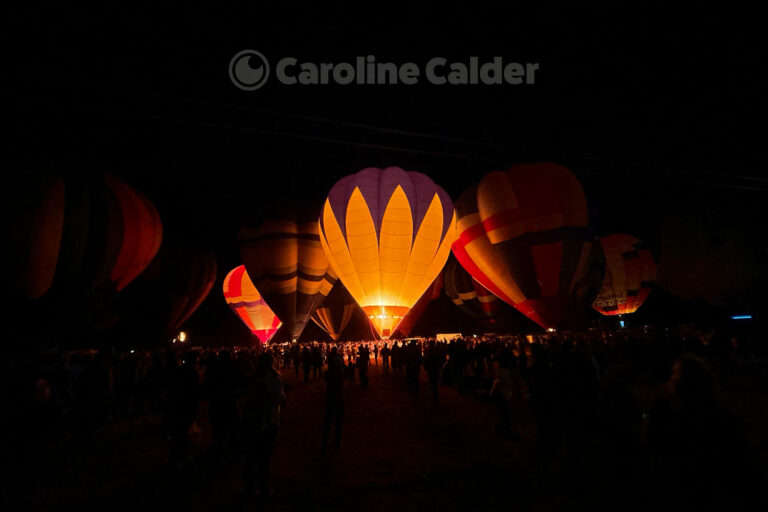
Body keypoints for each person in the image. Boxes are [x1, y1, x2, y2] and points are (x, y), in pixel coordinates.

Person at [242, 353, 286, 497]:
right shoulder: (275, 380)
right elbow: (280, 399)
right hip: (269, 420)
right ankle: (265, 487)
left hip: (253, 420)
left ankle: (249, 487)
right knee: (265, 457)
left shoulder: (251, 378)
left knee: (251, 455)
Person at [321, 349, 345, 456]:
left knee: (328, 422)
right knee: (338, 423)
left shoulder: (327, 374)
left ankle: (324, 442)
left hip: (329, 400)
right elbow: (346, 373)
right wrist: (341, 364)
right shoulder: (340, 373)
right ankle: (336, 442)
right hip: (338, 399)